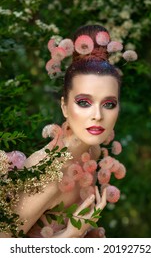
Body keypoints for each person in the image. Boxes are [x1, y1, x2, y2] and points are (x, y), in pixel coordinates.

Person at [0, 24, 137, 238]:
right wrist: (69, 236)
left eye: (109, 104)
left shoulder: (93, 151)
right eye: (84, 102)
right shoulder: (47, 171)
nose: (98, 115)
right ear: (64, 106)